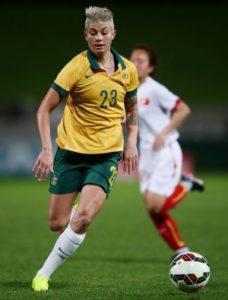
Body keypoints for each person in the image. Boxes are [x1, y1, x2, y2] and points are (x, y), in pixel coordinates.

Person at [31, 6, 139, 292]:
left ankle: (43, 274)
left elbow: (132, 108)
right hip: (71, 153)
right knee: (57, 223)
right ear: (86, 35)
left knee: (83, 219)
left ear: (113, 34)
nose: (99, 38)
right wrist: (45, 149)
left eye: (104, 32)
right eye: (93, 33)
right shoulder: (76, 67)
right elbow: (44, 109)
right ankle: (75, 207)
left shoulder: (128, 70)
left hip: (106, 156)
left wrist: (132, 144)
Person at [130, 44, 204, 258]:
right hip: (146, 154)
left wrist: (164, 132)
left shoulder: (154, 89)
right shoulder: (126, 88)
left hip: (165, 149)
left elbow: (183, 109)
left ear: (150, 68)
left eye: (141, 60)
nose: (135, 63)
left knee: (156, 206)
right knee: (152, 210)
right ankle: (182, 251)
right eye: (132, 59)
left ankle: (187, 183)